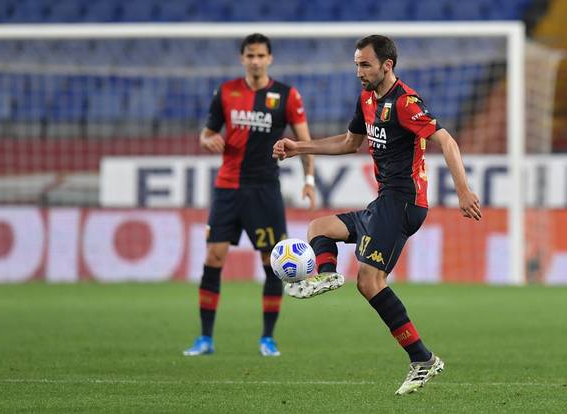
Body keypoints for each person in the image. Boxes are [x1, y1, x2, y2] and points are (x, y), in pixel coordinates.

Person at [272, 35, 481, 394]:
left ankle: (422, 360)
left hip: (403, 202)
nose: (358, 71)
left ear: (387, 65)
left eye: (364, 64)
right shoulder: (367, 99)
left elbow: (446, 140)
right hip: (383, 202)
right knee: (319, 227)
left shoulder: (405, 102)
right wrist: (298, 147)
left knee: (369, 282)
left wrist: (462, 190)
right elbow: (351, 143)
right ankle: (326, 274)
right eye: (356, 64)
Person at [184, 33, 316, 357]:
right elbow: (207, 133)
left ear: (269, 58)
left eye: (261, 56)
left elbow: (304, 141)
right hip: (227, 188)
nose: (255, 61)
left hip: (265, 190)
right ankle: (205, 339)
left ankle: (267, 338)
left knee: (271, 263)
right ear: (242, 58)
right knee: (213, 257)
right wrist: (207, 140)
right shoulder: (226, 92)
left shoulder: (287, 96)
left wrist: (309, 178)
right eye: (250, 56)